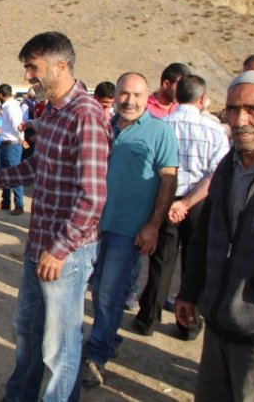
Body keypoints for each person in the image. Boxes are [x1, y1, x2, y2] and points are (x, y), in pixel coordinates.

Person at [0, 32, 110, 400]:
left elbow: (93, 197)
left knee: (59, 345)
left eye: (34, 67)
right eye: (28, 68)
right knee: (27, 329)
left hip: (66, 251)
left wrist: (60, 249)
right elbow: (36, 170)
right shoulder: (54, 112)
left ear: (61, 66)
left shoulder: (86, 116)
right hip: (39, 243)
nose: (29, 75)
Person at [175, 71, 254, 401]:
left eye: (253, 109)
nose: (240, 119)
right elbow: (203, 237)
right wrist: (189, 291)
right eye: (233, 109)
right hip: (217, 325)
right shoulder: (226, 167)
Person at [82, 72, 179, 389]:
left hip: (129, 230)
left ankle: (96, 356)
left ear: (146, 96)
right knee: (97, 288)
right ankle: (108, 338)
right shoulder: (104, 128)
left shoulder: (159, 131)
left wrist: (153, 225)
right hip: (95, 226)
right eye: (124, 93)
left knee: (110, 293)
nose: (129, 100)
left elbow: (168, 180)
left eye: (137, 95)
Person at [133, 75, 229, 338]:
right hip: (198, 203)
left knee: (161, 261)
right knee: (194, 263)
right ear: (202, 99)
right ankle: (189, 324)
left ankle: (147, 318)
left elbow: (149, 168)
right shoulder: (215, 131)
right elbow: (216, 174)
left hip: (165, 198)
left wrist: (174, 203)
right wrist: (187, 203)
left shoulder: (160, 126)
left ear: (176, 97)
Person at [0, 84, 24, 216]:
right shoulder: (9, 106)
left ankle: (19, 205)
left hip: (12, 145)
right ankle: (6, 202)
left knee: (15, 175)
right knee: (5, 175)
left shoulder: (12, 107)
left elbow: (18, 126)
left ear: (0, 95)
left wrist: (22, 139)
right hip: (6, 144)